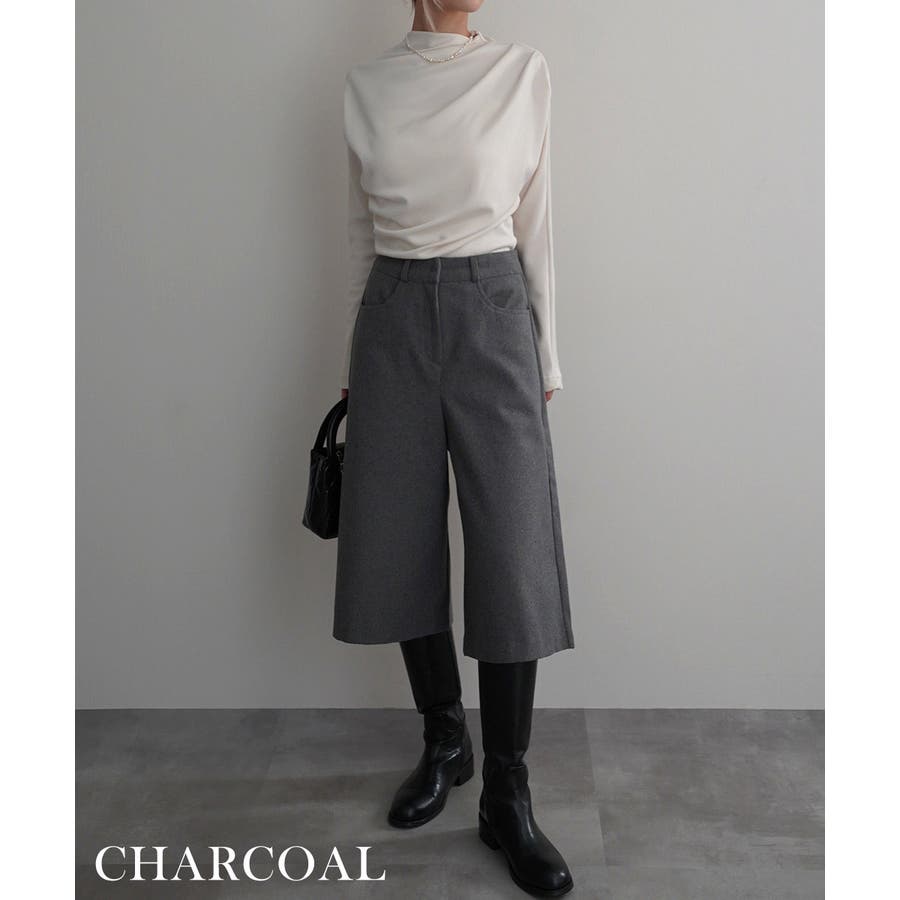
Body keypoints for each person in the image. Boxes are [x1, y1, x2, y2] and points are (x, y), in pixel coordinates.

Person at [333, 1, 574, 895]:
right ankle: (446, 739)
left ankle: (507, 791)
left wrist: (548, 354)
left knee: (513, 549)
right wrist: (352, 362)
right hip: (391, 318)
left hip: (492, 310)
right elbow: (360, 234)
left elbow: (537, 220)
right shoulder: (366, 86)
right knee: (396, 537)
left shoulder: (521, 72)